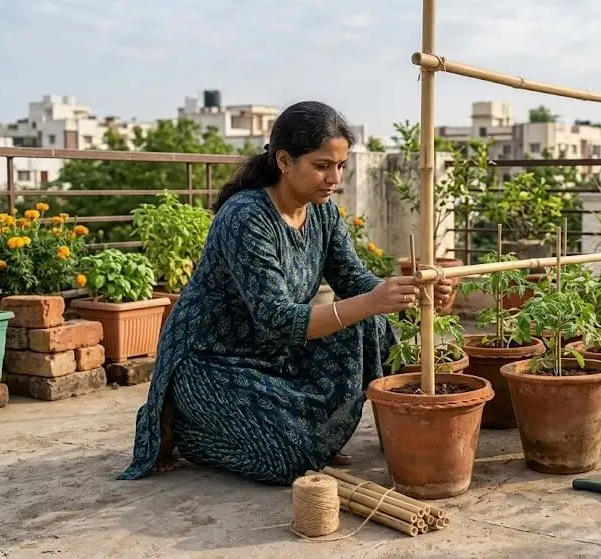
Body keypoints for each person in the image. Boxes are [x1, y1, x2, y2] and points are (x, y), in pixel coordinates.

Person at [117, 101, 454, 485]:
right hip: (215, 358)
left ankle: (305, 436)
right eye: (322, 165)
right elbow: (277, 319)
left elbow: (354, 279)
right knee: (287, 461)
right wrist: (371, 302)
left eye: (341, 166)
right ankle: (184, 425)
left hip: (277, 353)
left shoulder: (323, 212)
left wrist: (412, 294)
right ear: (284, 161)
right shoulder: (246, 217)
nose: (334, 178)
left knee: (368, 327)